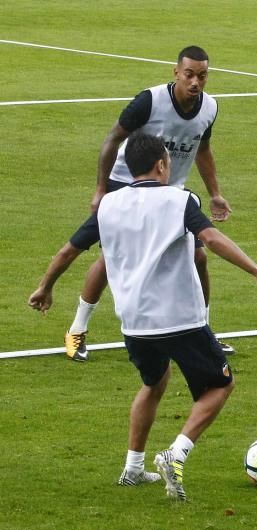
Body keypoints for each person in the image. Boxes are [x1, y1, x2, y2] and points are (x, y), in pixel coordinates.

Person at [98, 132, 257, 501]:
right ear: (163, 164)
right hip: (179, 318)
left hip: (133, 321)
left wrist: (45, 286)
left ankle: (133, 469)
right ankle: (175, 453)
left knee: (154, 382)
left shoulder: (108, 205)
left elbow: (71, 249)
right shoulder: (180, 200)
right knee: (220, 385)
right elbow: (210, 240)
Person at [48, 45, 233, 362]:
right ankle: (76, 330)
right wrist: (100, 188)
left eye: (202, 76)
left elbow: (202, 149)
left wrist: (215, 193)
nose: (195, 83)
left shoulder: (210, 109)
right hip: (126, 185)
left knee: (200, 259)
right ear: (176, 72)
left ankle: (204, 328)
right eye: (189, 75)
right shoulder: (149, 101)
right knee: (110, 261)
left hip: (171, 192)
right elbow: (112, 139)